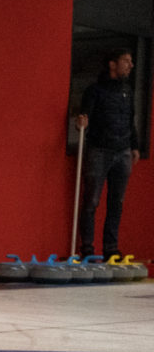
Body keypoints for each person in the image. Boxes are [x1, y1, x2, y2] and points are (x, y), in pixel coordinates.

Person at [75, 47, 142, 258]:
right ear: (112, 64)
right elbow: (84, 118)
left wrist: (135, 146)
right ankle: (87, 247)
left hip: (122, 151)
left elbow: (130, 121)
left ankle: (111, 248)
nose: (130, 65)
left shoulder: (127, 91)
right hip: (99, 150)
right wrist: (80, 123)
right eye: (126, 60)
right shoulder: (95, 90)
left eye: (131, 61)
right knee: (92, 200)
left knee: (117, 202)